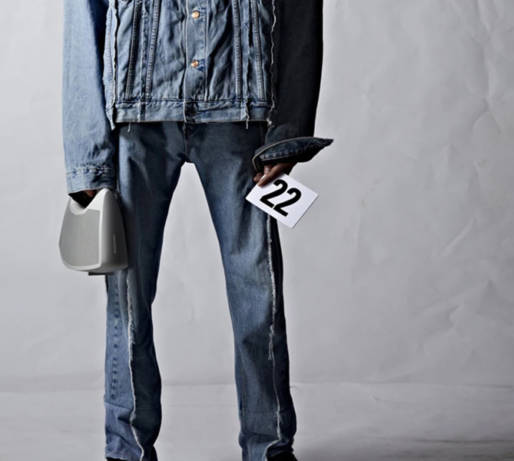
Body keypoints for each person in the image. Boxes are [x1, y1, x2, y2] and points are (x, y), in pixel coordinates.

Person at [61, 1, 332, 460]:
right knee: (128, 298)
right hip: (137, 114)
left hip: (239, 113)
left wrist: (288, 131)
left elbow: (300, 11)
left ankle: (268, 447)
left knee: (258, 294)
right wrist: (88, 155)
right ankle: (127, 450)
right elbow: (83, 21)